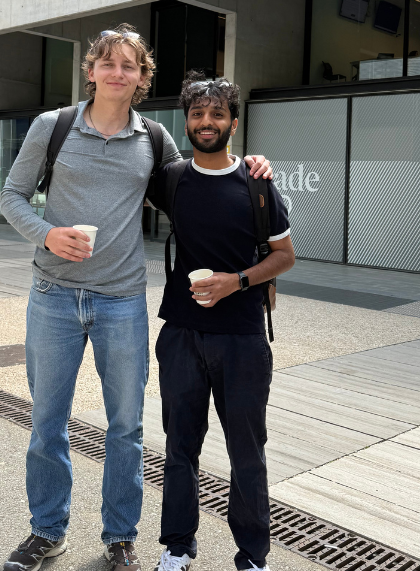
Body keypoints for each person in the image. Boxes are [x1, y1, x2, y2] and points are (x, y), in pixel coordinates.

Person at [0, 26, 276, 571]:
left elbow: (200, 175)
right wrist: (48, 234)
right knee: (47, 422)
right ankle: (47, 530)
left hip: (122, 300)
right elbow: (11, 195)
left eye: (129, 65)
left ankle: (120, 537)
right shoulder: (51, 127)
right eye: (107, 63)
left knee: (125, 426)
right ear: (91, 70)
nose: (117, 73)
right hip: (53, 294)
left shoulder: (152, 140)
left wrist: (250, 167)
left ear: (143, 77)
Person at [146, 74, 294, 571]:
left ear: (233, 121)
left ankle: (252, 555)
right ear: (186, 121)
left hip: (243, 337)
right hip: (181, 332)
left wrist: (238, 282)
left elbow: (284, 256)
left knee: (247, 451)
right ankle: (177, 545)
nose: (206, 123)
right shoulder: (171, 180)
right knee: (180, 445)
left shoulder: (257, 183)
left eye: (216, 115)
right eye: (196, 114)